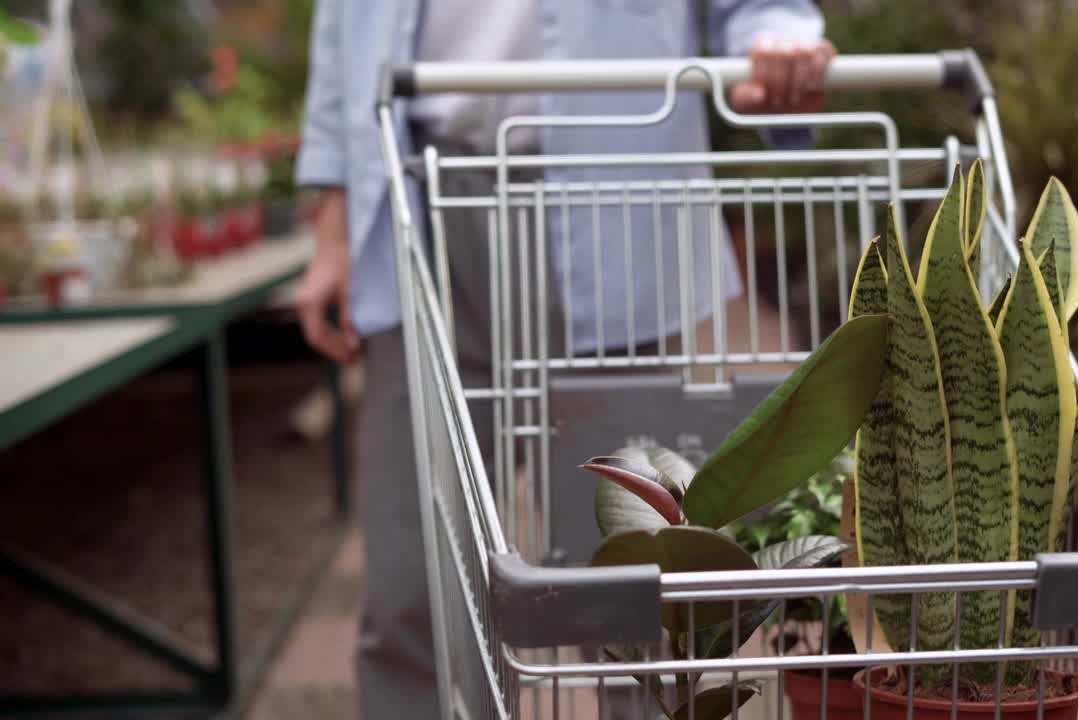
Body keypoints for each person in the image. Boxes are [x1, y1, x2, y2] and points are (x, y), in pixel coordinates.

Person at [293, 1, 834, 717]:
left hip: (609, 194)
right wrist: (332, 231)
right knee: (413, 582)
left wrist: (778, 42)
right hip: (418, 211)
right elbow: (345, 27)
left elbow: (760, 11)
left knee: (624, 588)